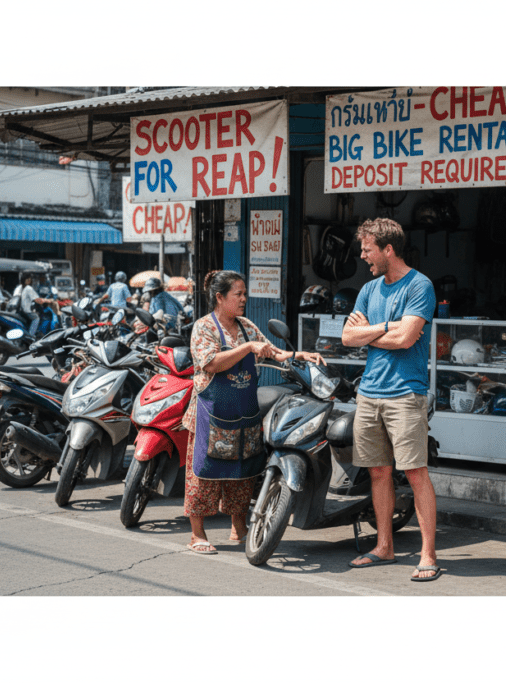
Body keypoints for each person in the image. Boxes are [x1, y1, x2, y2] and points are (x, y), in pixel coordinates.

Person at [180, 269, 325, 554]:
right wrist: (247, 348)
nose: (245, 298)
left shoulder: (245, 325)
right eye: (239, 294)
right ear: (220, 298)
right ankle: (197, 534)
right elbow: (210, 363)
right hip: (211, 414)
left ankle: (240, 527)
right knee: (203, 474)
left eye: (245, 293)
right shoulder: (204, 327)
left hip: (243, 414)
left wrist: (299, 355)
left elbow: (270, 350)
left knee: (243, 473)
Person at [340, 217, 441, 582]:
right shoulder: (368, 290)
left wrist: (371, 333)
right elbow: (348, 337)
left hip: (405, 394)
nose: (363, 256)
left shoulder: (420, 286)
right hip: (369, 393)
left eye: (368, 249)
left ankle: (428, 554)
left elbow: (407, 339)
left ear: (387, 249)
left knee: (415, 473)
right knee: (378, 472)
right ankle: (384, 546)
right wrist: (386, 327)